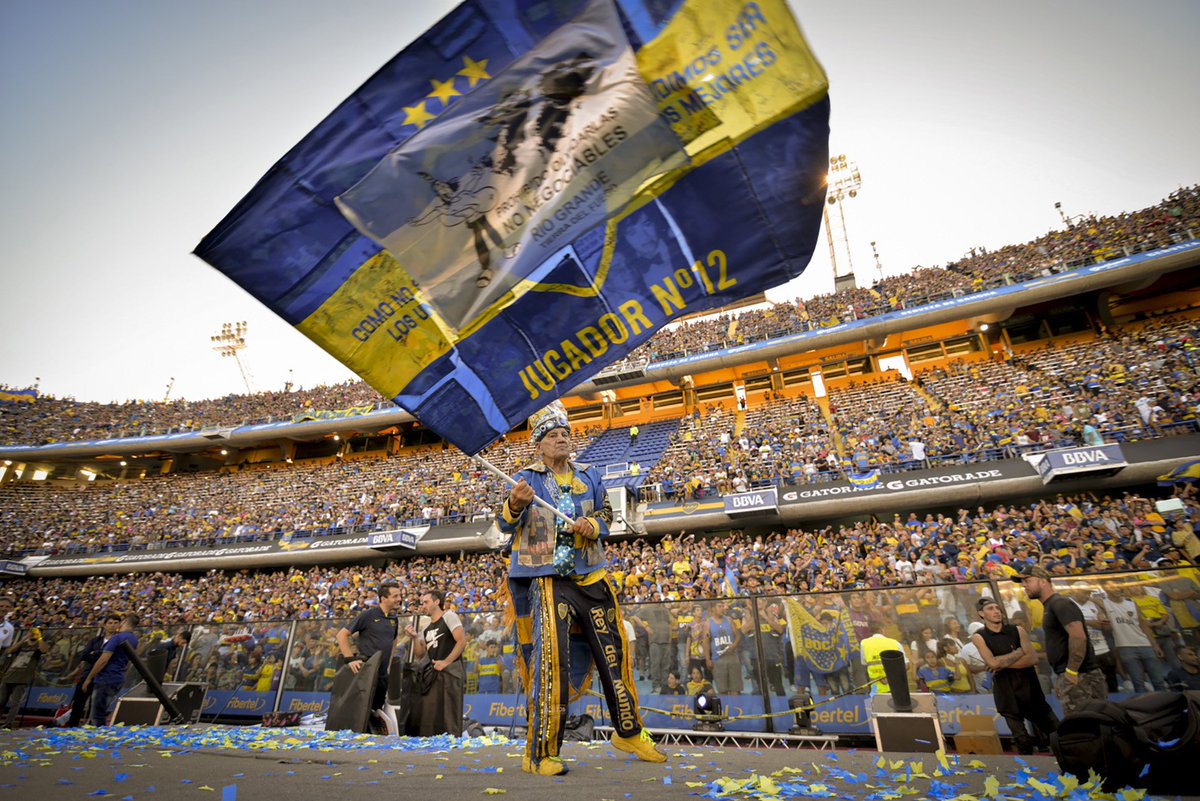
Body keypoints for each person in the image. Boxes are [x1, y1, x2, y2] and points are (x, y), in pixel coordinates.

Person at [500, 400, 665, 776]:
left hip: (591, 575)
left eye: (565, 434)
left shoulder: (590, 475)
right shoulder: (526, 480)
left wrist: (593, 524)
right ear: (538, 444)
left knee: (614, 654)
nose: (561, 440)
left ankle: (629, 731)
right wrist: (513, 504)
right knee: (550, 663)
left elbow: (607, 514)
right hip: (547, 580)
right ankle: (541, 752)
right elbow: (505, 525)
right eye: (553, 435)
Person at [1012, 565, 1106, 714]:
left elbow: (1078, 637)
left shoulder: (1060, 604)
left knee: (1083, 726)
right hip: (1074, 674)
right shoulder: (1051, 606)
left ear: (1043, 582)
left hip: (1080, 675)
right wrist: (1063, 677)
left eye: (1028, 581)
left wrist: (1071, 672)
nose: (1024, 586)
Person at [972, 597, 1058, 755]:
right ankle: (1027, 774)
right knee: (1022, 740)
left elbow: (1032, 659)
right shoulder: (979, 636)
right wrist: (1018, 652)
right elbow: (992, 664)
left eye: (997, 608)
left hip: (1030, 689)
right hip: (1007, 694)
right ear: (981, 613)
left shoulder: (1018, 630)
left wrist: (1000, 662)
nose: (996, 611)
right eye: (990, 608)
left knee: (1056, 731)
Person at [336, 582, 401, 735]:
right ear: (383, 598)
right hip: (367, 673)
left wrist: (389, 665)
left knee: (376, 710)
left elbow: (393, 641)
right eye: (395, 596)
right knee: (362, 711)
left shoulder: (394, 618)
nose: (399, 599)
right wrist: (350, 659)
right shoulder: (368, 615)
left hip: (383, 674)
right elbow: (341, 635)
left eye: (400, 595)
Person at [406, 589, 465, 737]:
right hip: (433, 674)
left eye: (426, 602)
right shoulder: (426, 628)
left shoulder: (449, 616)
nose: (423, 605)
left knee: (449, 714)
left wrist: (446, 662)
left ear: (437, 602)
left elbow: (462, 641)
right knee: (432, 714)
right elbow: (420, 654)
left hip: (450, 673)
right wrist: (414, 638)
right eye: (421, 603)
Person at [82, 614, 139, 727]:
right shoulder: (134, 639)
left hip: (106, 677)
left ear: (125, 622)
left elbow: (103, 660)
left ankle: (97, 739)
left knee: (97, 714)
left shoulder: (117, 638)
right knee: (102, 710)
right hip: (118, 676)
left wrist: (89, 678)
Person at [67, 614, 120, 727]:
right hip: (87, 674)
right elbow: (85, 655)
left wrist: (96, 654)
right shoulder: (95, 641)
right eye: (110, 623)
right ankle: (72, 726)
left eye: (116, 623)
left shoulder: (119, 642)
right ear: (104, 625)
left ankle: (93, 727)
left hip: (105, 677)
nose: (113, 626)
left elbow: (113, 658)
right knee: (78, 703)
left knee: (96, 706)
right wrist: (100, 656)